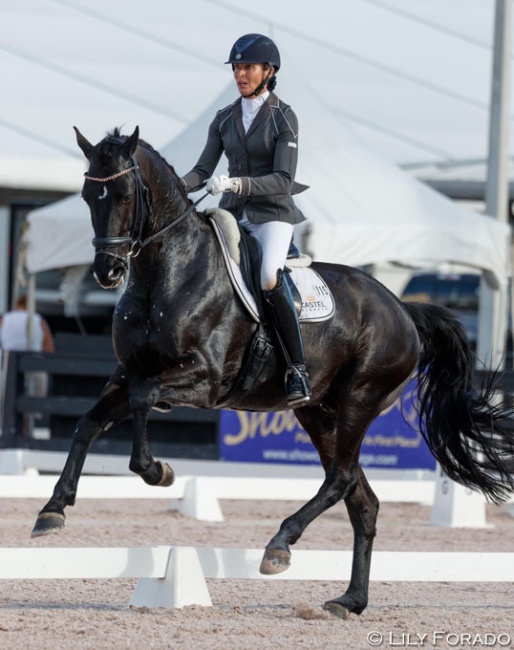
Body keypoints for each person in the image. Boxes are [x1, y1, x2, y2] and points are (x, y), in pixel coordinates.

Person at [181, 33, 312, 406]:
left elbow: (283, 179)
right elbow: (202, 169)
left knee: (269, 276)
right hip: (233, 214)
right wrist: (174, 184)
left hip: (272, 214)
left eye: (248, 67)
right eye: (237, 67)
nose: (241, 74)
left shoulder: (283, 117)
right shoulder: (224, 119)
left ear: (268, 72)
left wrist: (237, 182)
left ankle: (297, 367)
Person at [0, 294, 55, 399]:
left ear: (17, 306)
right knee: (38, 390)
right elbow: (49, 349)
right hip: (33, 367)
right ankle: (35, 413)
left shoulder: (4, 320)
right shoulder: (39, 321)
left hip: (7, 368)